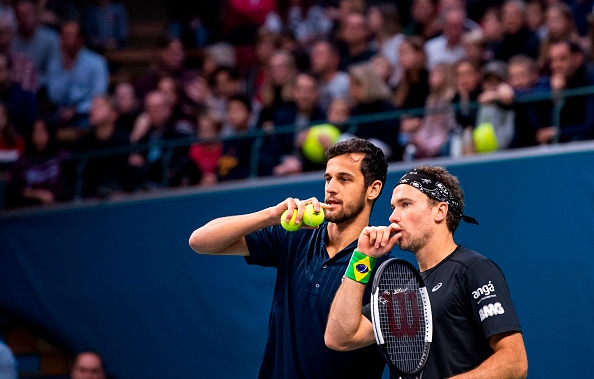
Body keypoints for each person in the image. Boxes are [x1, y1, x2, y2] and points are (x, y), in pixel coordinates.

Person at [188, 137, 389, 379]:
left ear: (373, 189)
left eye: (344, 179)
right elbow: (199, 241)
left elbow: (343, 339)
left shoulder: (382, 267)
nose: (330, 188)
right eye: (328, 178)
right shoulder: (294, 238)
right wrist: (271, 215)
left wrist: (364, 258)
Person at [325, 165, 528, 379]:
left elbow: (515, 361)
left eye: (406, 204)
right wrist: (362, 257)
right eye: (393, 207)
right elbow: (339, 337)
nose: (393, 217)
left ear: (440, 211)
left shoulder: (474, 269)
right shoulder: (399, 290)